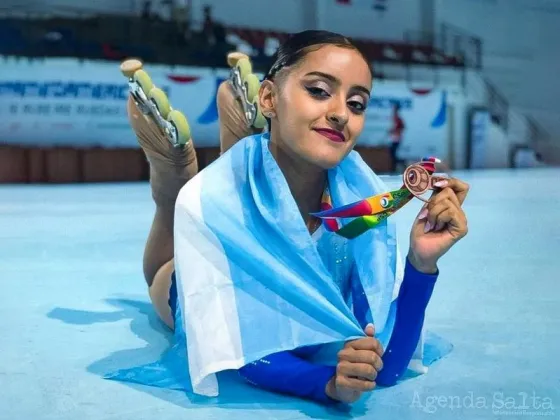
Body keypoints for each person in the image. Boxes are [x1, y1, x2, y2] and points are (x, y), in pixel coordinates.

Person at [125, 30, 469, 405]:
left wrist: (422, 262)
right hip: (194, 276)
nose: (341, 113)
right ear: (270, 97)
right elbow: (242, 349)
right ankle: (173, 176)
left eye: (356, 103)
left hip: (240, 212)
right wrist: (326, 384)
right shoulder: (207, 202)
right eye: (319, 91)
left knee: (228, 195)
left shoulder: (364, 207)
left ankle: (242, 152)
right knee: (163, 257)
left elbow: (386, 364)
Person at [388, 102, 405, 173]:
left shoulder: (398, 118)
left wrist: (395, 130)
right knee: (392, 153)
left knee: (393, 153)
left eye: (395, 109)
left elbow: (402, 127)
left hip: (397, 138)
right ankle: (396, 167)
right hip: (394, 137)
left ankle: (401, 164)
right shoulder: (395, 117)